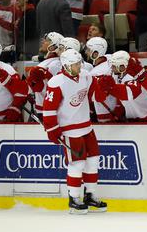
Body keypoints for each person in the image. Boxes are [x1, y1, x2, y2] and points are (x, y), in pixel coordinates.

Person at [42, 48, 108, 214]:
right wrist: (52, 129)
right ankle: (74, 199)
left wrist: (103, 91)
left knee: (93, 161)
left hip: (87, 126)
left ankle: (90, 196)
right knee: (77, 164)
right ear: (66, 65)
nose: (79, 66)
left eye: (79, 63)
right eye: (75, 64)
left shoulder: (86, 75)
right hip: (70, 130)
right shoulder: (56, 82)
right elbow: (49, 109)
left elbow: (95, 94)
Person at [96, 51, 147, 122]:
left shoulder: (134, 75)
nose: (111, 68)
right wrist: (119, 111)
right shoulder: (117, 75)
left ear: (122, 66)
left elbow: (130, 93)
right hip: (135, 118)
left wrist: (111, 88)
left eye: (114, 66)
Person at [26, 32, 64, 116]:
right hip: (45, 109)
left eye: (47, 40)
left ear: (54, 46)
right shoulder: (52, 62)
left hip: (47, 111)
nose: (43, 41)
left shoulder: (54, 64)